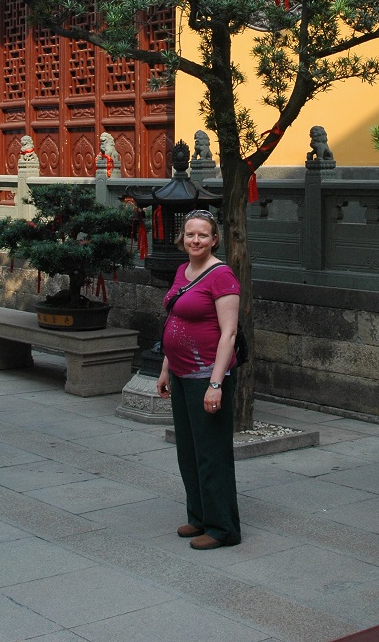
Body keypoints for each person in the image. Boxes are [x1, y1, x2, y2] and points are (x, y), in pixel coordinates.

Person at [157, 209, 241, 549]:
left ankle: (223, 528)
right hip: (179, 372)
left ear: (214, 238)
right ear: (183, 238)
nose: (196, 240)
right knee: (188, 450)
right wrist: (165, 368)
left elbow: (229, 333)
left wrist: (216, 384)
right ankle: (199, 517)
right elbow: (176, 320)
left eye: (202, 235)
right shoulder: (183, 270)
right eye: (190, 234)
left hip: (206, 374)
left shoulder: (222, 276)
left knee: (211, 452)